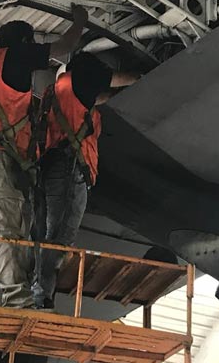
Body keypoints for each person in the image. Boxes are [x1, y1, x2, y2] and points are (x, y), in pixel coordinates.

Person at [0, 4, 89, 309]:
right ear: (24, 42)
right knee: (5, 231)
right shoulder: (16, 55)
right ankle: (17, 301)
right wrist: (81, 21)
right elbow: (63, 48)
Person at [32, 52, 139, 309]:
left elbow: (98, 97)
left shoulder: (60, 91)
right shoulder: (79, 79)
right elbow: (115, 79)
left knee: (44, 233)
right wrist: (141, 78)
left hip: (49, 168)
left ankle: (36, 291)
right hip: (69, 170)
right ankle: (40, 296)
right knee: (60, 235)